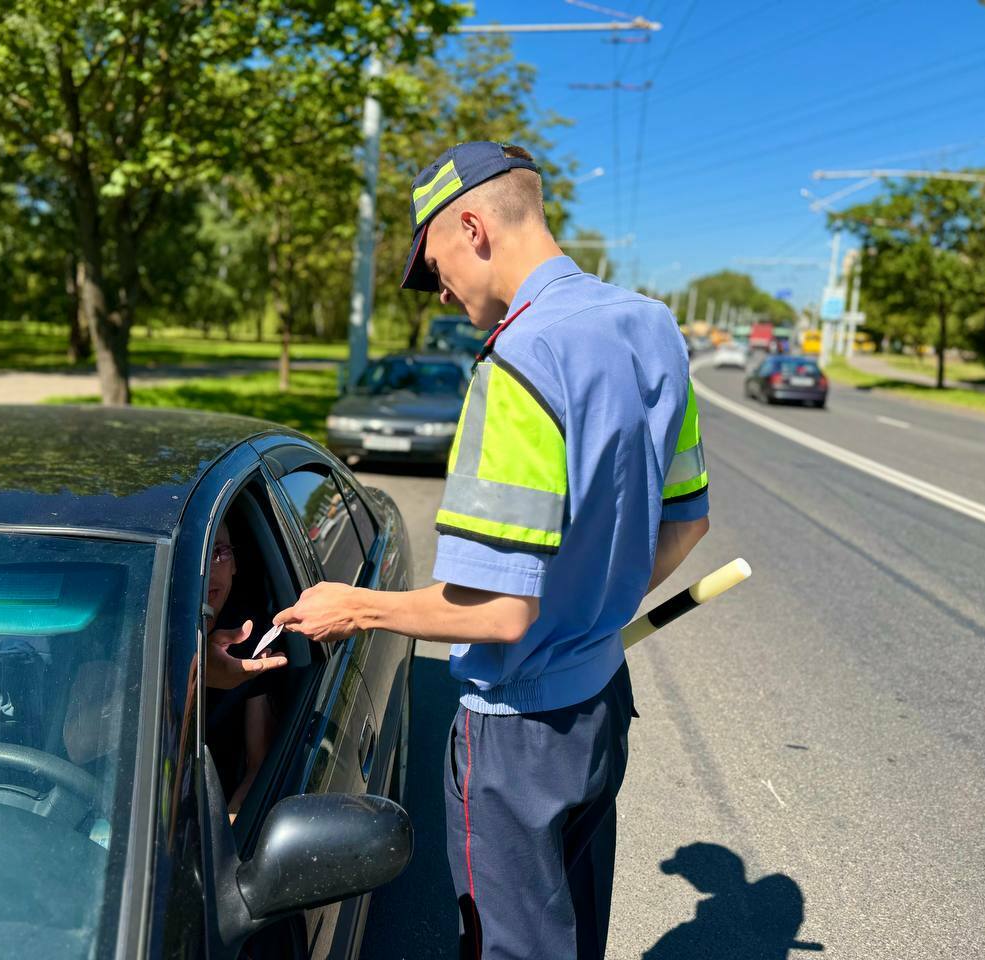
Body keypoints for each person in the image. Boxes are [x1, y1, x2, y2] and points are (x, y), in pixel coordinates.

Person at [274, 141, 710, 959]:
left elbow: (500, 612)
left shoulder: (519, 364)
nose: (438, 288)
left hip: (517, 738)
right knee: (574, 934)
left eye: (434, 264)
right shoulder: (652, 329)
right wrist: (596, 611)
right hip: (600, 702)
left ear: (473, 225)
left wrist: (356, 606)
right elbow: (687, 524)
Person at [63, 522, 286, 816]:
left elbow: (258, 765)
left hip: (205, 817)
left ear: (235, 566)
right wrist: (182, 676)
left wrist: (228, 836)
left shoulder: (251, 638)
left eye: (219, 552)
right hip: (119, 812)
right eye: (191, 555)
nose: (207, 568)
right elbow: (79, 746)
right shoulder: (122, 631)